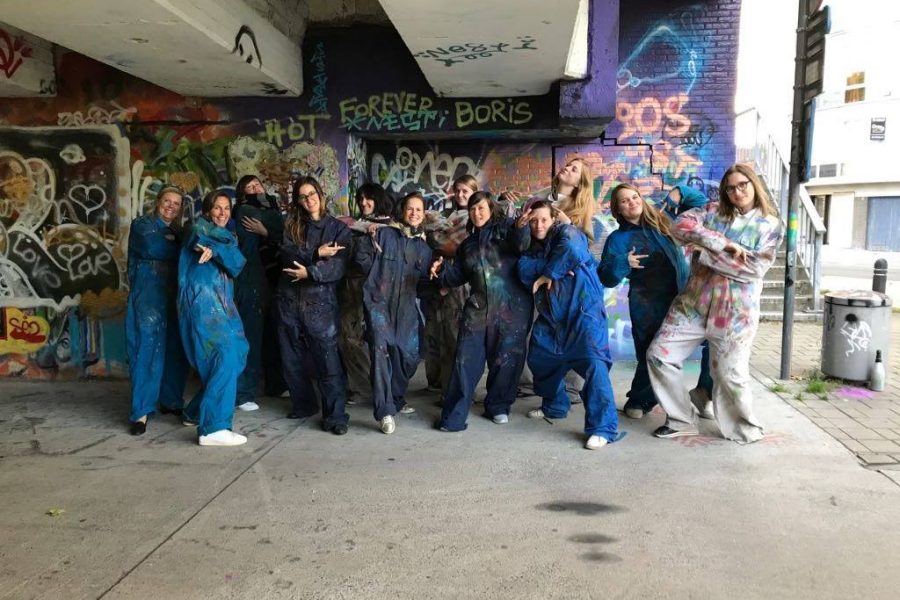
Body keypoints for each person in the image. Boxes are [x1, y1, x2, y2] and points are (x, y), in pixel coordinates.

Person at [648, 164, 784, 443]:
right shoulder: (712, 212)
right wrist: (721, 242)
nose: (737, 192)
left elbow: (754, 268)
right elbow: (679, 226)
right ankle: (681, 419)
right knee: (659, 355)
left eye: (743, 185)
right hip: (692, 304)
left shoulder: (770, 225)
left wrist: (705, 253)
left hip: (735, 312)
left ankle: (744, 427)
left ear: (754, 184)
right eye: (731, 188)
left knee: (730, 373)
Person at [519, 201, 624, 450]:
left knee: (594, 365)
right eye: (533, 221)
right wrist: (558, 267)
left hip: (584, 316)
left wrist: (548, 273)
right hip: (551, 320)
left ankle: (603, 428)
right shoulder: (530, 249)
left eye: (543, 219)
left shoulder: (569, 232)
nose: (538, 225)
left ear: (554, 219)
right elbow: (523, 270)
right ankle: (555, 405)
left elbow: (572, 249)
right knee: (540, 359)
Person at [431, 191, 533, 431]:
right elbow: (457, 276)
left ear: (491, 209)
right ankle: (454, 417)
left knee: (506, 360)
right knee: (465, 361)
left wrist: (521, 228)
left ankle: (498, 406)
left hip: (511, 309)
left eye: (481, 208)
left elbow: (522, 246)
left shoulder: (507, 230)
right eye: (473, 209)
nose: (477, 213)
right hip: (478, 310)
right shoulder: (467, 245)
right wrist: (441, 270)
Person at [599, 183, 691, 420]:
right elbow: (606, 277)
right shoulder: (618, 239)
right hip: (647, 304)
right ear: (618, 210)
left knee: (709, 344)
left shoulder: (663, 220)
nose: (632, 202)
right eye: (624, 201)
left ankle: (705, 392)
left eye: (634, 197)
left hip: (683, 298)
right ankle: (641, 399)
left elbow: (699, 202)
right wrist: (623, 262)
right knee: (651, 352)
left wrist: (680, 192)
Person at [277, 176, 352, 435]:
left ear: (320, 195)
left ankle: (335, 416)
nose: (309, 200)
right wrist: (315, 254)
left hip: (320, 304)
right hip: (289, 301)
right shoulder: (291, 226)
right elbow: (286, 255)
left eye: (312, 194)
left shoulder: (338, 229)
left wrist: (310, 273)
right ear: (298, 201)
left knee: (328, 362)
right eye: (303, 196)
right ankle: (304, 405)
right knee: (292, 359)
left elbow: (338, 265)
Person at [354, 192, 433, 434]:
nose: (414, 213)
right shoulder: (384, 233)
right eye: (410, 208)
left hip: (406, 308)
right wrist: (371, 267)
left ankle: (396, 397)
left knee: (410, 356)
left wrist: (438, 279)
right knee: (380, 354)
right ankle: (385, 410)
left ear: (424, 214)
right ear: (402, 211)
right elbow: (360, 257)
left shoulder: (424, 248)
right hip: (378, 305)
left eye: (418, 210)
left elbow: (423, 284)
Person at [178, 190, 249, 446]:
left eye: (226, 208)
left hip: (223, 305)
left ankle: (196, 411)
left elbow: (237, 263)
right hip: (203, 305)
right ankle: (213, 428)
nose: (222, 213)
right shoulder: (197, 227)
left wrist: (215, 249)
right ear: (208, 210)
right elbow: (195, 236)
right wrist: (208, 246)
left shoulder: (226, 237)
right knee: (225, 356)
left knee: (238, 352)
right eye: (217, 208)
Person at [126, 186, 188, 435]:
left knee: (175, 349)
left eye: (176, 203)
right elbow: (154, 248)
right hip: (148, 296)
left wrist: (177, 242)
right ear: (158, 201)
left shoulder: (178, 231)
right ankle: (140, 412)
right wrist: (180, 246)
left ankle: (171, 401)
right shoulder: (142, 225)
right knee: (146, 350)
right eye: (167, 201)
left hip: (173, 295)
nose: (171, 206)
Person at [421, 175, 477, 398]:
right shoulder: (450, 215)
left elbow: (454, 247)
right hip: (439, 278)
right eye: (458, 190)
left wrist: (439, 239)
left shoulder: (474, 217)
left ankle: (453, 388)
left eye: (466, 191)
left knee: (455, 334)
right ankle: (437, 383)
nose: (461, 195)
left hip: (460, 283)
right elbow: (437, 242)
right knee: (436, 332)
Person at [232, 174, 285, 412]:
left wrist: (267, 231)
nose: (255, 189)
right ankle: (244, 393)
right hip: (251, 280)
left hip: (273, 278)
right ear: (242, 194)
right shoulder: (245, 210)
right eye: (249, 187)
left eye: (257, 185)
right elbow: (281, 224)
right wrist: (274, 224)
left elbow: (284, 232)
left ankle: (276, 384)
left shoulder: (270, 209)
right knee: (251, 337)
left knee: (274, 335)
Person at [339, 183, 394, 404]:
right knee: (350, 338)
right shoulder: (356, 225)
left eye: (368, 198)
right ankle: (365, 387)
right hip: (351, 290)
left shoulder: (389, 228)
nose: (363, 203)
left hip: (377, 290)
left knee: (378, 340)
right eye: (360, 199)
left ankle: (381, 389)